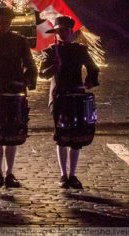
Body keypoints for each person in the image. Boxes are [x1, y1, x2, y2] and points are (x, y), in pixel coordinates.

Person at [0, 6, 38, 188]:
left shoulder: (19, 40)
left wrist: (27, 81)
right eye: (0, 21)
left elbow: (30, 64)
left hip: (14, 90)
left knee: (12, 133)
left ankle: (10, 172)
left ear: (10, 22)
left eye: (6, 21)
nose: (3, 24)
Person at [39, 15, 100, 189]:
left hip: (76, 95)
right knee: (62, 135)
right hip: (59, 97)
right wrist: (54, 67)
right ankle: (63, 175)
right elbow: (43, 74)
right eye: (60, 31)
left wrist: (88, 82)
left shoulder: (79, 49)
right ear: (56, 33)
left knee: (76, 137)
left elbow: (93, 68)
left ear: (70, 32)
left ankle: (73, 175)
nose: (63, 34)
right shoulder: (51, 50)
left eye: (65, 31)